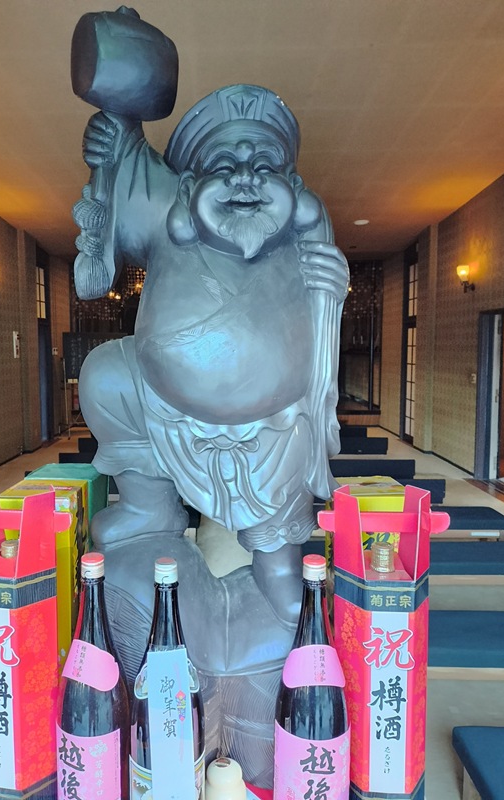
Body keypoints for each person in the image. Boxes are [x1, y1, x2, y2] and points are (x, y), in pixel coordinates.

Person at [73, 84, 349, 624]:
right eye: (225, 165)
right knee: (107, 375)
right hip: (159, 402)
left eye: (265, 166)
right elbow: (128, 163)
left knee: (283, 561)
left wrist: (331, 287)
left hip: (274, 423)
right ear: (188, 186)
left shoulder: (304, 231)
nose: (246, 178)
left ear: (293, 187)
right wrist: (117, 133)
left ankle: (277, 562)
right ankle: (148, 508)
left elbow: (320, 333)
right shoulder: (168, 213)